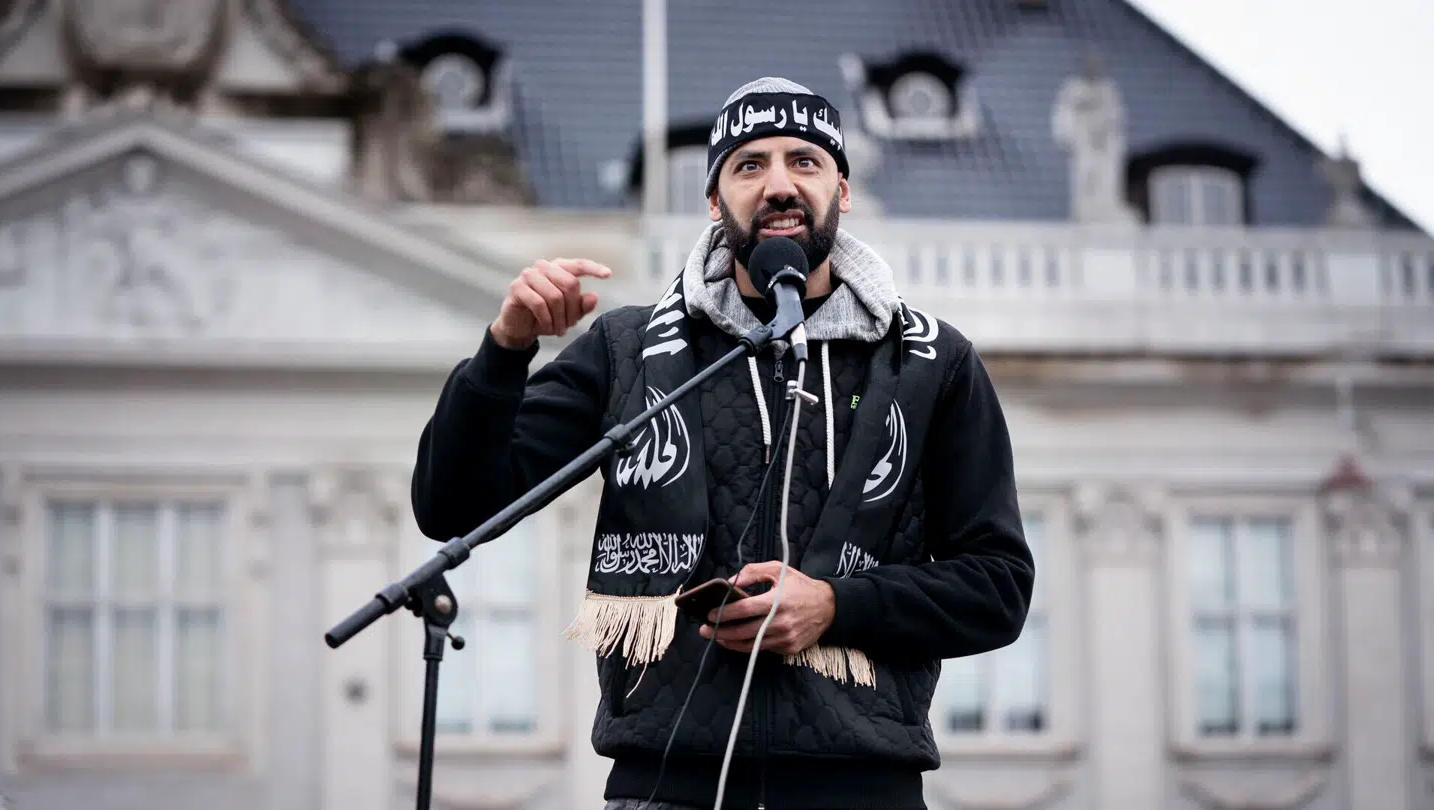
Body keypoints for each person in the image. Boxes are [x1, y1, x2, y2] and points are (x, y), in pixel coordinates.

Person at [412, 77, 1035, 810]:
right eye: (749, 165)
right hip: (664, 789)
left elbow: (998, 587)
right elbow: (453, 505)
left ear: (842, 189)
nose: (779, 185)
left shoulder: (931, 362)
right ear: (714, 200)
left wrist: (836, 605)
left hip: (862, 790)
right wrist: (505, 349)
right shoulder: (628, 349)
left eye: (804, 161)